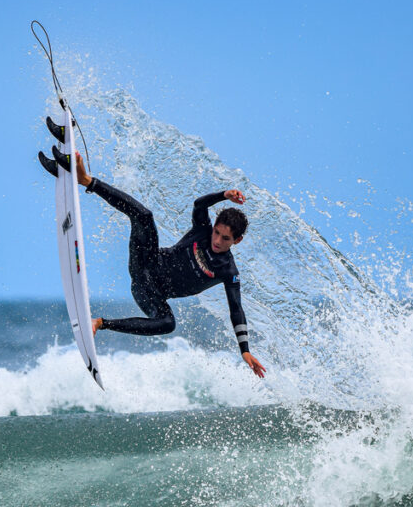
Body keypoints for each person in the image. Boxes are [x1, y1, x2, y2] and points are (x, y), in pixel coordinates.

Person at [39, 144, 266, 378]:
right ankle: (86, 180)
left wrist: (245, 350)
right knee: (144, 216)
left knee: (168, 323)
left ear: (236, 241)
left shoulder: (228, 271)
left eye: (225, 238)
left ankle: (100, 323)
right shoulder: (202, 230)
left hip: (149, 293)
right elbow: (199, 204)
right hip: (145, 261)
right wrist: (223, 195)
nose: (217, 240)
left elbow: (236, 309)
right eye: (217, 232)